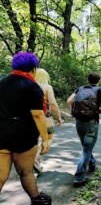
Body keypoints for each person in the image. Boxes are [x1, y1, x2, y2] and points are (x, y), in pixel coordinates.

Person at [0, 52, 51, 204]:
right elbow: (38, 115)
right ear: (33, 68)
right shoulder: (32, 87)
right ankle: (37, 200)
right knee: (26, 172)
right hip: (24, 137)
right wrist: (45, 139)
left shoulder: (1, 83)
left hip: (2, 134)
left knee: (1, 175)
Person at [67, 72, 101, 187]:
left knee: (86, 147)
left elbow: (68, 101)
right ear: (98, 81)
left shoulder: (80, 88)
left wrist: (77, 110)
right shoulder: (100, 90)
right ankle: (79, 177)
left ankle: (92, 162)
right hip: (91, 122)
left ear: (88, 79)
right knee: (86, 149)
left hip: (79, 122)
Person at [33, 68, 63, 174]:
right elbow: (53, 103)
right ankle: (37, 158)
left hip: (29, 117)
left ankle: (29, 161)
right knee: (49, 137)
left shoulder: (28, 85)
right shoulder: (46, 87)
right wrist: (59, 117)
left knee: (33, 140)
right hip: (45, 116)